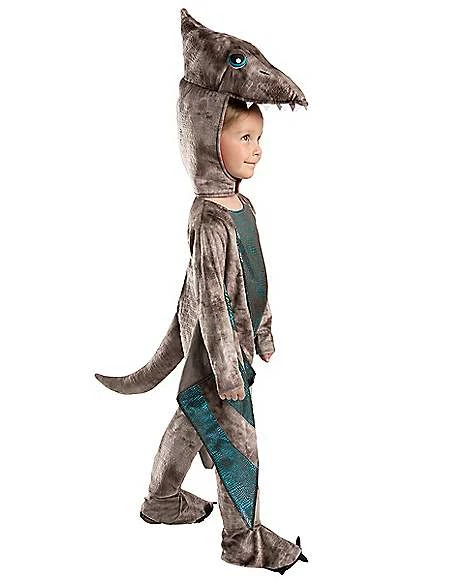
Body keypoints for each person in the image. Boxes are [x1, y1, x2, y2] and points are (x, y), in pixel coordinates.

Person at [94, 9, 309, 573]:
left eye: (259, 138)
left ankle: (162, 500)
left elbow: (253, 276)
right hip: (220, 355)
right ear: (210, 138)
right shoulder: (210, 218)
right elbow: (211, 299)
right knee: (240, 444)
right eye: (245, 138)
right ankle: (242, 541)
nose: (257, 149)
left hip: (235, 349)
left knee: (193, 420)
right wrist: (229, 368)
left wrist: (263, 329)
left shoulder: (241, 205)